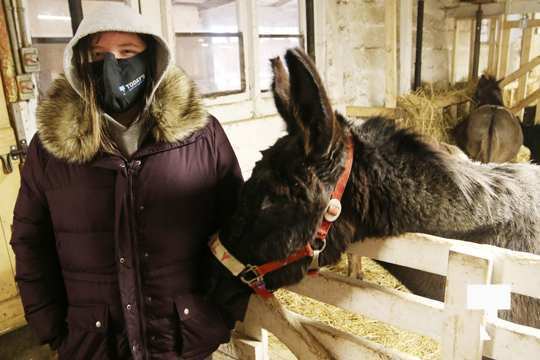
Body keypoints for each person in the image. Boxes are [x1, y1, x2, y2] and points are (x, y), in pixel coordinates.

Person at [10, 3, 250, 359]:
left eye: (127, 52)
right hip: (95, 345)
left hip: (182, 340)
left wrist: (219, 314)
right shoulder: (50, 150)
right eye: (98, 54)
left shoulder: (201, 136)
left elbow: (236, 228)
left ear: (151, 58)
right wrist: (52, 328)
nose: (112, 65)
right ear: (80, 63)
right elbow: (31, 241)